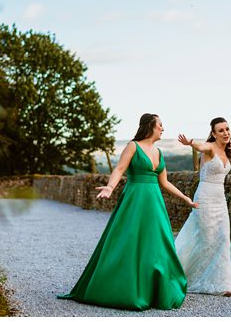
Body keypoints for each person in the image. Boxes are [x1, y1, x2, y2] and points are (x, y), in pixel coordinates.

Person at [60, 113, 194, 310]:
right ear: (150, 127)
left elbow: (164, 182)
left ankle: (155, 289)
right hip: (135, 199)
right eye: (160, 125)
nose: (163, 129)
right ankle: (123, 288)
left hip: (154, 203)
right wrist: (110, 187)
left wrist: (185, 198)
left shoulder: (159, 152)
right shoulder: (133, 146)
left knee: (158, 244)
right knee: (128, 242)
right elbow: (120, 169)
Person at [174, 119, 231, 296]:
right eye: (221, 130)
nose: (226, 133)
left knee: (223, 237)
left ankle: (222, 282)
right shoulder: (210, 147)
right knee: (205, 237)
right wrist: (191, 143)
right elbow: (200, 147)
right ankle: (185, 273)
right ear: (213, 134)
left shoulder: (229, 152)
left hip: (220, 199)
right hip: (204, 196)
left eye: (227, 129)